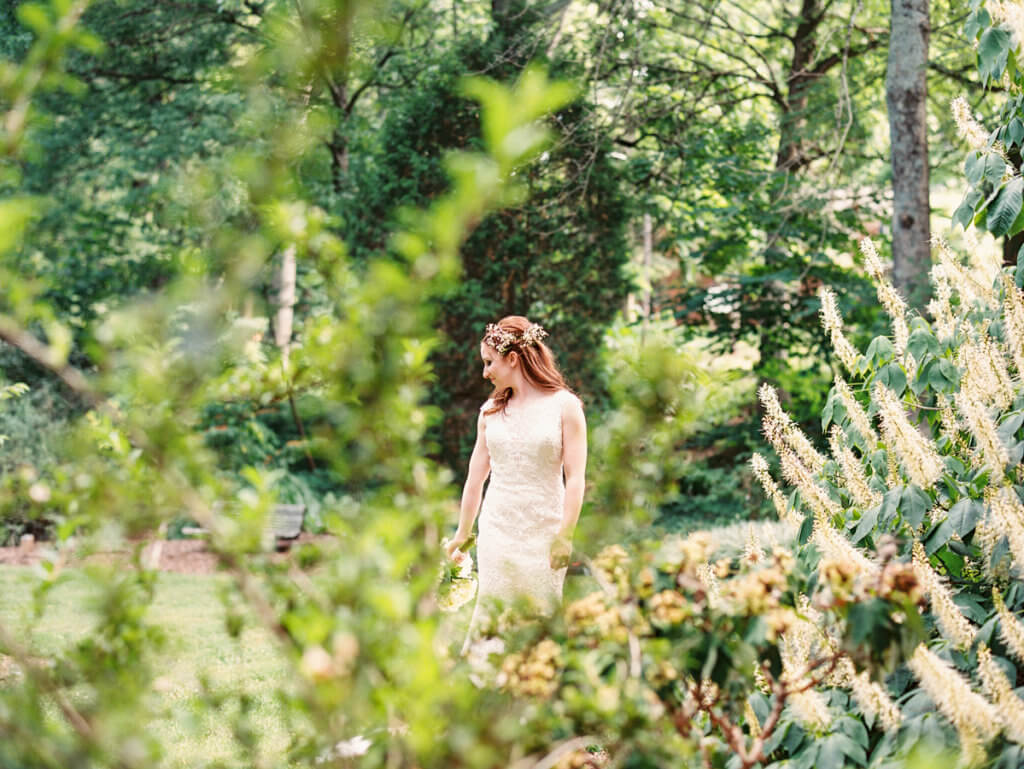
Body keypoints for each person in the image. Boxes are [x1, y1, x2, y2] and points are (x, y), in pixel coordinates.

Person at [444, 315, 587, 646]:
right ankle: (488, 688)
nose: (485, 372)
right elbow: (474, 480)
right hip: (498, 530)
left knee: (541, 615)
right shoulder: (489, 411)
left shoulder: (565, 407)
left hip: (545, 531)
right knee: (495, 613)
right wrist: (462, 536)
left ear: (512, 358)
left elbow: (576, 478)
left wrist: (565, 536)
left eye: (489, 362)